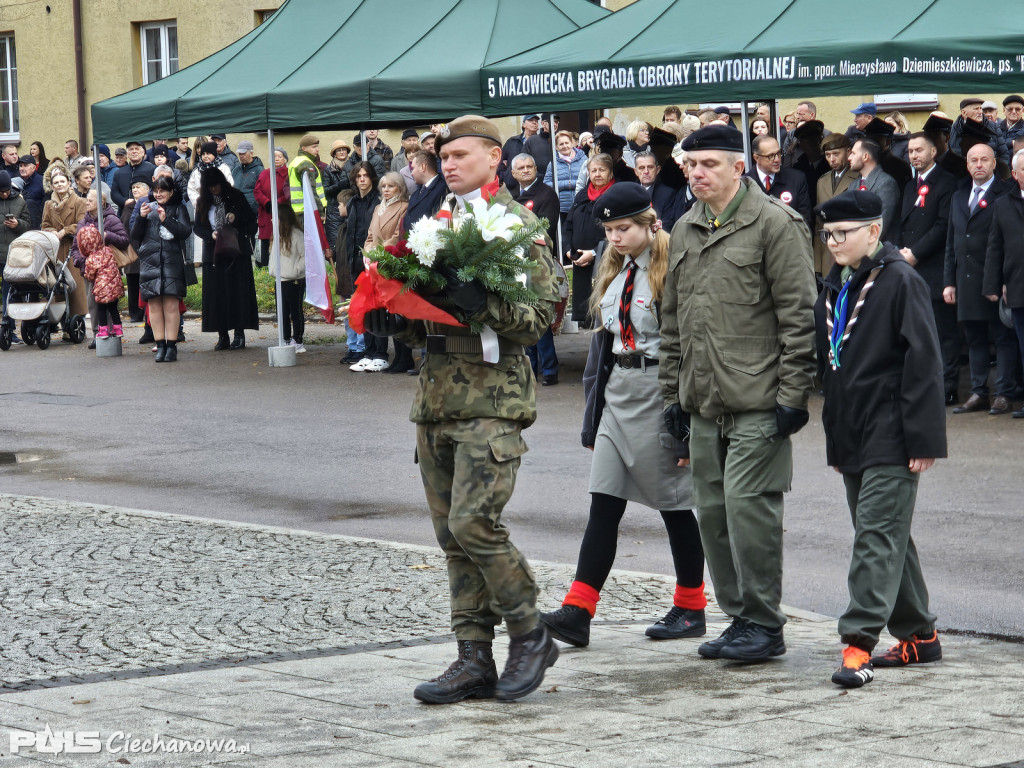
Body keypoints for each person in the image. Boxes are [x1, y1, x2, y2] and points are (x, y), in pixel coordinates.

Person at [363, 114, 560, 704]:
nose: (448, 165)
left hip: (493, 400)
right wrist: (396, 321)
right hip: (437, 399)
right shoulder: (432, 223)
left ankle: (530, 632)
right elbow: (427, 318)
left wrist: (486, 305)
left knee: (475, 523)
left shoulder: (520, 227)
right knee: (451, 536)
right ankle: (472, 656)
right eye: (443, 158)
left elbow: (539, 319)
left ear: (495, 159)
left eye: (461, 155)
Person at [660, 124, 816, 662]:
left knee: (750, 514)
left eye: (708, 164)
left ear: (737, 168)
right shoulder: (684, 228)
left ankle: (765, 623)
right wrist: (671, 398)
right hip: (703, 402)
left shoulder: (775, 224)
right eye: (691, 164)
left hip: (758, 400)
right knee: (712, 515)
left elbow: (799, 315)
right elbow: (673, 321)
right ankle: (739, 619)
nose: (697, 173)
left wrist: (794, 394)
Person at [541, 183, 706, 647]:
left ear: (650, 221)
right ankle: (578, 610)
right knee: (603, 503)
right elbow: (605, 349)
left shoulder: (673, 266)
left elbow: (691, 346)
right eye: (610, 229)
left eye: (625, 227)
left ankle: (692, 607)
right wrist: (593, 417)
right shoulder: (614, 267)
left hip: (662, 395)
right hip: (619, 398)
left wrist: (686, 420)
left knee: (675, 506)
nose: (615, 236)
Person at [814, 190, 946, 688]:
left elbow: (925, 362)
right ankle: (919, 635)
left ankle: (857, 644)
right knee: (887, 534)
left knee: (875, 535)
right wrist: (836, 439)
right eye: (828, 235)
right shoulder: (836, 285)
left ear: (874, 231)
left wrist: (924, 439)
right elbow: (833, 367)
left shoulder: (901, 281)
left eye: (843, 234)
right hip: (852, 430)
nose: (833, 243)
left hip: (895, 430)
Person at [944, 142, 1018, 415]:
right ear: (966, 164)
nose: (978, 165)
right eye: (973, 160)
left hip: (997, 280)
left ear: (994, 163)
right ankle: (978, 393)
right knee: (974, 338)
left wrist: (1006, 279)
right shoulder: (959, 195)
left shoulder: (1007, 192)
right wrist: (948, 281)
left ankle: (1003, 393)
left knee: (1003, 339)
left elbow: (1011, 242)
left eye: (984, 160)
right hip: (965, 280)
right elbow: (952, 243)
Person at [897, 132, 959, 404]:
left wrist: (916, 253)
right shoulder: (910, 185)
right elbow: (902, 222)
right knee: (917, 330)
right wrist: (901, 251)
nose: (914, 156)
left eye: (919, 150)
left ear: (933, 152)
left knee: (943, 332)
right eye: (910, 151)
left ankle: (948, 386)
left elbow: (944, 226)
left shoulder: (947, 183)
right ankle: (924, 383)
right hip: (909, 267)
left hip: (934, 267)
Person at [193, 167, 259, 351]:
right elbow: (197, 227)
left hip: (236, 252)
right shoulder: (202, 202)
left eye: (217, 185)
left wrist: (235, 219)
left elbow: (252, 223)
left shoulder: (236, 196)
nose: (215, 189)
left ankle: (239, 333)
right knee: (217, 296)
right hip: (214, 254)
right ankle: (222, 335)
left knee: (237, 293)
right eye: (211, 186)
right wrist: (210, 234)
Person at [511, 153, 561, 386]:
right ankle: (531, 365)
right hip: (516, 264)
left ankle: (549, 368)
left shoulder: (546, 194)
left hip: (538, 264)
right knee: (523, 315)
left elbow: (544, 230)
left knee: (540, 315)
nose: (526, 170)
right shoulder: (511, 197)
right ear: (513, 173)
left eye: (530, 166)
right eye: (520, 168)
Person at [130, 176, 192, 362]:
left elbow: (185, 232)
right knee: (154, 305)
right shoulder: (147, 207)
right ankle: (160, 345)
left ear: (171, 192)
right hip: (149, 261)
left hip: (172, 260)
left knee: (171, 305)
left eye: (162, 190)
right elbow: (135, 235)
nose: (158, 194)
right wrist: (141, 218)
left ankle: (171, 346)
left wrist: (167, 220)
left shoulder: (179, 208)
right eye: (155, 191)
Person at [985, 148, 1024, 418]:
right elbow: (994, 247)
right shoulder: (1003, 204)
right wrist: (992, 284)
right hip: (1019, 287)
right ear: (1015, 174)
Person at [360, 171, 409, 374]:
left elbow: (398, 235)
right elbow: (371, 235)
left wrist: (379, 254)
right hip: (375, 263)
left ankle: (403, 357)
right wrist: (367, 253)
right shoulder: (379, 207)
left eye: (390, 186)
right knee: (381, 308)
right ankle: (386, 355)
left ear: (400, 188)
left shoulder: (404, 207)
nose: (386, 190)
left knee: (397, 309)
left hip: (392, 261)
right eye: (383, 187)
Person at [70, 188, 129, 344]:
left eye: (90, 200)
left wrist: (108, 236)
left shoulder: (111, 219)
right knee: (93, 303)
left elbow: (124, 240)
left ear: (100, 202)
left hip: (107, 270)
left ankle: (111, 332)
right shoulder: (83, 222)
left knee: (109, 303)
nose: (86, 202)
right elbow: (75, 246)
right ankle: (98, 333)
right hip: (88, 269)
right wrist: (79, 261)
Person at [564, 153, 615, 323]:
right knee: (586, 314)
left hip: (606, 261)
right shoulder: (582, 196)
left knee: (602, 311)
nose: (597, 174)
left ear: (610, 173)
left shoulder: (616, 196)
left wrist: (593, 253)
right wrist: (568, 250)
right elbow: (569, 225)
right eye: (593, 171)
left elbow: (617, 234)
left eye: (602, 170)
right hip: (580, 261)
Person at [341, 161, 380, 366]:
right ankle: (362, 349)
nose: (362, 179)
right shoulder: (353, 202)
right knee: (360, 306)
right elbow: (350, 234)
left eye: (365, 175)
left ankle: (374, 350)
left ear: (371, 177)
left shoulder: (378, 201)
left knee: (374, 306)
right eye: (358, 176)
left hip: (373, 260)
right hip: (355, 260)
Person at [41, 165, 89, 322]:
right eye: (56, 182)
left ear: (69, 183)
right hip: (55, 250)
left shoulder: (80, 202)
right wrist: (52, 232)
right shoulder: (49, 204)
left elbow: (83, 223)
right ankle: (61, 321)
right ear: (52, 185)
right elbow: (44, 225)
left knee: (75, 287)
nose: (60, 184)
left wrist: (66, 231)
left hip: (74, 248)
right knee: (58, 287)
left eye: (63, 181)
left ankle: (77, 320)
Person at [814, 134, 857, 276]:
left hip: (850, 248)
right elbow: (819, 224)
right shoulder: (822, 181)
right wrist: (818, 265)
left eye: (836, 154)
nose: (831, 159)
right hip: (828, 252)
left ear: (849, 152)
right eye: (827, 155)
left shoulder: (858, 178)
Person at [746, 134, 812, 226]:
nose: (777, 159)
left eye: (778, 153)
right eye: (770, 156)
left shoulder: (796, 179)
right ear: (756, 158)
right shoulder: (744, 184)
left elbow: (805, 220)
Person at [77, 217, 126, 343]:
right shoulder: (108, 250)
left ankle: (103, 330)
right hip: (114, 287)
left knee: (101, 309)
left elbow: (89, 275)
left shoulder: (91, 259)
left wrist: (93, 277)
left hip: (102, 289)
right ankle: (118, 329)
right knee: (113, 309)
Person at [269, 202, 307, 353]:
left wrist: (296, 270)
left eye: (275, 217)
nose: (272, 220)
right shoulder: (276, 235)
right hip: (280, 280)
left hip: (294, 280)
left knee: (295, 310)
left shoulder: (297, 235)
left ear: (283, 218)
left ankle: (297, 340)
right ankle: (285, 339)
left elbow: (306, 257)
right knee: (282, 312)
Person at [849, 139, 900, 240]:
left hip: (878, 250)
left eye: (853, 153)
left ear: (865, 156)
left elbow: (883, 225)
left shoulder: (886, 183)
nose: (849, 158)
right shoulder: (853, 185)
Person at [542, 130, 587, 245]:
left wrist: (571, 184)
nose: (565, 146)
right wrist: (567, 184)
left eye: (567, 142)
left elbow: (588, 179)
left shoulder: (584, 159)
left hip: (581, 205)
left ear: (572, 143)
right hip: (562, 208)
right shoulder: (553, 163)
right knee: (565, 239)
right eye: (561, 144)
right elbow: (546, 183)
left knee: (580, 237)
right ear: (556, 147)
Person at [0, 171, 30, 344]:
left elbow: (28, 224)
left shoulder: (19, 200)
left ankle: (9, 330)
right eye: (1, 191)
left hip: (12, 255)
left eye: (6, 190)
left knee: (9, 293)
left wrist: (18, 225)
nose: (5, 194)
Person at [253, 147, 290, 269]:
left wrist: (277, 203)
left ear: (285, 159)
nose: (277, 159)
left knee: (281, 242)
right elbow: (257, 191)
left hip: (282, 214)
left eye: (280, 156)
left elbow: (288, 193)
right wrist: (267, 203)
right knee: (266, 244)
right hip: (266, 213)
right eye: (274, 156)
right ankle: (265, 269)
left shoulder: (288, 174)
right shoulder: (264, 173)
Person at [322, 140, 353, 262]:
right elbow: (326, 190)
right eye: (338, 150)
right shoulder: (328, 170)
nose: (341, 152)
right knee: (336, 246)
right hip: (334, 211)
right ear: (334, 153)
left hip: (350, 208)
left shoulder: (353, 166)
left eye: (343, 149)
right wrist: (339, 185)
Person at [403, 150, 448, 231]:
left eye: (413, 168)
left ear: (423, 167)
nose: (412, 173)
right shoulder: (417, 191)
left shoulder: (442, 190)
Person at [111, 140, 156, 211]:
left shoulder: (152, 169)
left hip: (146, 210)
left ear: (143, 152)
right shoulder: (119, 172)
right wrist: (125, 201)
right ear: (127, 154)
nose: (134, 151)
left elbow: (156, 190)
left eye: (137, 149)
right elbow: (114, 193)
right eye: (131, 149)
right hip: (124, 212)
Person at [188, 141, 235, 208]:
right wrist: (199, 202)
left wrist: (220, 200)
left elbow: (230, 185)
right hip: (203, 207)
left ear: (214, 154)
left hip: (220, 206)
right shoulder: (197, 171)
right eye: (203, 154)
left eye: (208, 153)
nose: (205, 156)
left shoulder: (223, 168)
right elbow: (191, 189)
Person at [500, 114, 540, 186]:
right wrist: (505, 175)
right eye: (531, 120)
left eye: (536, 121)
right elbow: (500, 159)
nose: (534, 122)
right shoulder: (512, 141)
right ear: (523, 124)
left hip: (535, 185)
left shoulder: (541, 143)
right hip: (513, 186)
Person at [235, 141, 264, 216]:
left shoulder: (259, 170)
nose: (241, 156)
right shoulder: (236, 169)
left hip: (252, 212)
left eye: (243, 153)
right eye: (239, 153)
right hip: (237, 210)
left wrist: (255, 207)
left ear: (251, 153)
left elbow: (262, 191)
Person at [17, 155, 45, 229]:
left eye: (25, 166)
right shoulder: (17, 182)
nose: (22, 169)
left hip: (37, 224)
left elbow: (46, 204)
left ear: (34, 167)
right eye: (20, 166)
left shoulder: (42, 181)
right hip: (22, 223)